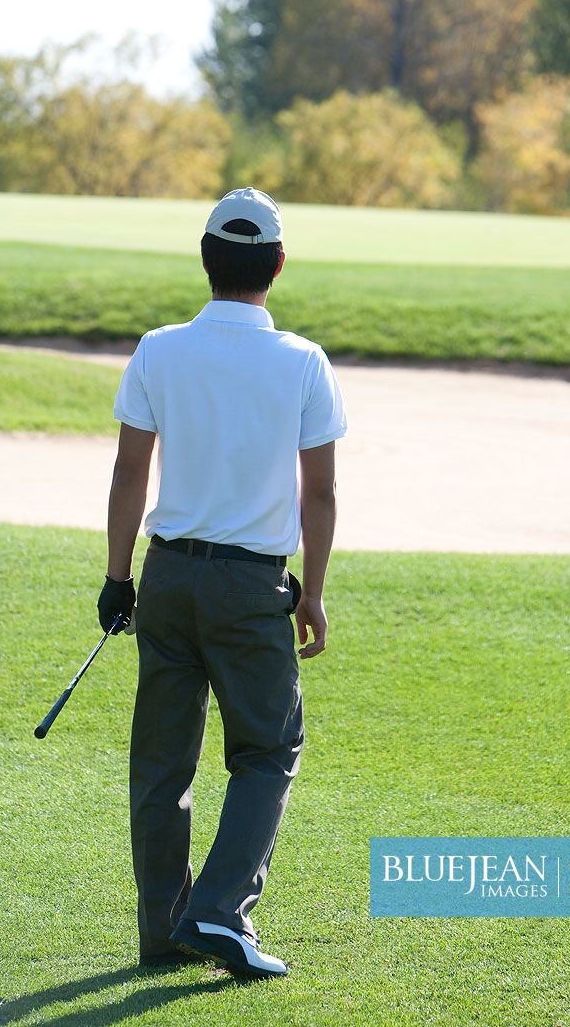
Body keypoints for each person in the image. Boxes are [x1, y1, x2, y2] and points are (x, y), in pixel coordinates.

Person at [96, 187, 348, 979]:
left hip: (167, 576)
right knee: (268, 751)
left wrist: (116, 577)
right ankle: (220, 911)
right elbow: (322, 493)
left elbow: (130, 470)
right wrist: (312, 590)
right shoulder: (303, 360)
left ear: (207, 259)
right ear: (276, 264)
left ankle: (166, 930)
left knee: (162, 762)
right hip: (251, 586)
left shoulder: (158, 347)